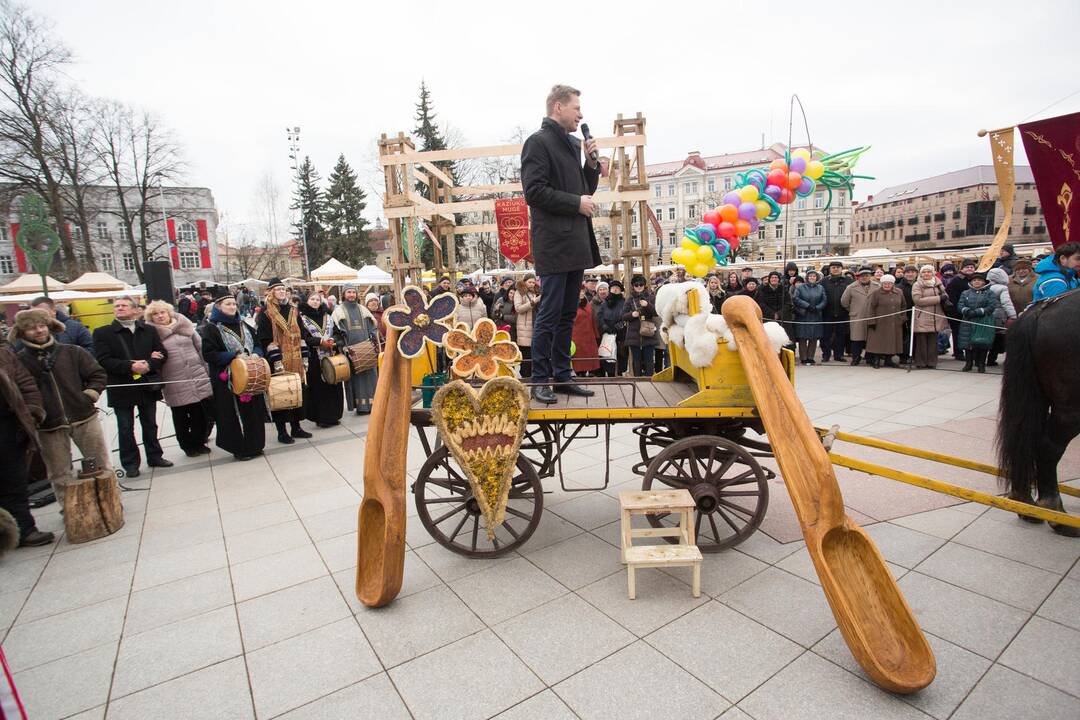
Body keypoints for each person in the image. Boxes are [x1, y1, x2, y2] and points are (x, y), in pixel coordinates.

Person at [520, 84, 602, 404]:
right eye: (576, 107)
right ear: (558, 108)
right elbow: (534, 191)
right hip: (554, 243)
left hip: (575, 242)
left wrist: (590, 165)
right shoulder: (537, 143)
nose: (581, 114)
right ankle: (540, 378)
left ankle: (562, 374)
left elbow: (584, 189)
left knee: (568, 313)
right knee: (550, 313)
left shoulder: (571, 144)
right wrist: (575, 203)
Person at [12, 308, 111, 511]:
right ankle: (70, 508)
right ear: (22, 333)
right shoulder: (19, 361)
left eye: (41, 326)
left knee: (100, 463)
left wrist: (89, 395)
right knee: (59, 472)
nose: (38, 331)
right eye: (31, 328)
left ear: (50, 326)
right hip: (49, 424)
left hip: (84, 415)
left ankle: (110, 500)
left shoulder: (71, 352)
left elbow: (97, 374)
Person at [93, 296, 171, 477]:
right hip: (122, 386)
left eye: (124, 306)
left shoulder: (148, 330)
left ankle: (155, 456)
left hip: (146, 385)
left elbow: (162, 353)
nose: (119, 308)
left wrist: (149, 364)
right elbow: (103, 360)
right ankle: (130, 463)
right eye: (117, 306)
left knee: (150, 423)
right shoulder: (103, 333)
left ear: (136, 310)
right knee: (126, 427)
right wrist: (130, 366)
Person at [201, 291, 267, 461]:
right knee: (232, 412)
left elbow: (258, 344)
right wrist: (233, 356)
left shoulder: (244, 324)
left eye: (233, 304)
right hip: (227, 377)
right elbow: (209, 354)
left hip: (250, 375)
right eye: (227, 304)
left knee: (253, 411)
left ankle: (255, 445)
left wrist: (256, 354)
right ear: (218, 307)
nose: (232, 307)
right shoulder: (212, 328)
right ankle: (239, 449)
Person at [145, 301, 214, 457]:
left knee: (200, 413)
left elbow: (200, 347)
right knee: (180, 415)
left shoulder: (184, 326)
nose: (160, 316)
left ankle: (200, 441)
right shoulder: (151, 334)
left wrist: (207, 369)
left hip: (196, 375)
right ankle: (187, 445)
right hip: (174, 379)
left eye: (162, 312)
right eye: (155, 314)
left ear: (169, 313)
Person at [0, 343, 51, 547]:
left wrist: (32, 412)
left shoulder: (4, 354)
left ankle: (25, 530)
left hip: (8, 429)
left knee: (15, 483)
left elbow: (26, 384)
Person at [257, 279, 313, 444]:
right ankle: (282, 431)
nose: (282, 292)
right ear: (271, 292)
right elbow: (264, 337)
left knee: (296, 392)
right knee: (280, 393)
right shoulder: (266, 312)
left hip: (295, 358)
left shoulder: (293, 310)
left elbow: (302, 333)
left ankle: (296, 427)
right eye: (278, 290)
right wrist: (275, 360)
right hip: (278, 358)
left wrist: (304, 355)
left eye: (283, 289)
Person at [298, 292, 344, 427]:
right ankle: (321, 418)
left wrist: (332, 340)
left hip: (331, 355)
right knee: (319, 388)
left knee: (333, 384)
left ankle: (334, 415)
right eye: (312, 299)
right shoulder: (301, 318)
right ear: (307, 301)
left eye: (317, 299)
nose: (315, 301)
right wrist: (319, 341)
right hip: (314, 358)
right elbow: (303, 337)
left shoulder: (328, 316)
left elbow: (337, 333)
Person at [332, 286, 379, 415]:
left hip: (367, 350)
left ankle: (374, 404)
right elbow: (336, 332)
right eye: (349, 292)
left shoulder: (363, 309)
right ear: (344, 294)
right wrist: (345, 346)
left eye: (353, 292)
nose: (351, 295)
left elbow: (372, 328)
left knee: (371, 376)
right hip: (351, 351)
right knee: (356, 379)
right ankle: (361, 407)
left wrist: (372, 343)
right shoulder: (338, 311)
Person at [958, 272, 1001, 373]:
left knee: (983, 342)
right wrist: (966, 310)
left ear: (983, 282)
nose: (976, 282)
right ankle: (968, 363)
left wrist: (979, 311)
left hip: (983, 320)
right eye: (974, 280)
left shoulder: (989, 293)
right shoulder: (966, 293)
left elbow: (992, 306)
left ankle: (981, 364)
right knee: (967, 343)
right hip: (968, 320)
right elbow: (960, 304)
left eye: (979, 280)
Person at [910, 265, 949, 369]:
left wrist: (944, 298)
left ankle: (932, 362)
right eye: (924, 272)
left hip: (936, 316)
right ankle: (921, 362)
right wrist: (938, 299)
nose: (926, 274)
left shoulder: (938, 284)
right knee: (922, 341)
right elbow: (918, 300)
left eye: (928, 272)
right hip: (922, 315)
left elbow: (945, 295)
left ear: (933, 273)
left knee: (933, 341)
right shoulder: (917, 284)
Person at [866, 274, 906, 368]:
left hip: (894, 322)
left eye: (889, 283)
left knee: (891, 342)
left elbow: (904, 305)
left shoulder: (899, 292)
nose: (887, 285)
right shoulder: (876, 293)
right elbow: (871, 307)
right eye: (885, 283)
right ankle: (876, 360)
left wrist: (902, 317)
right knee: (878, 342)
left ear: (893, 284)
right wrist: (871, 321)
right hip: (879, 322)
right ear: (881, 283)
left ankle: (889, 360)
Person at [29, 296, 94, 354]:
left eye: (41, 312)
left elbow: (91, 348)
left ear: (54, 311)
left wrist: (70, 360)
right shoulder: (28, 330)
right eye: (33, 313)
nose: (37, 316)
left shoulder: (75, 327)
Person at [622, 275, 657, 376]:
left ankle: (649, 379)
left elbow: (656, 313)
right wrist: (632, 315)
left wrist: (647, 305)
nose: (639, 286)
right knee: (636, 359)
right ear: (633, 286)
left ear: (644, 285)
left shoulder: (651, 297)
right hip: (634, 333)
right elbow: (623, 316)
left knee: (649, 359)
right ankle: (637, 380)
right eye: (636, 285)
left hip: (648, 332)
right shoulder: (629, 299)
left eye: (641, 284)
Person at [841, 267, 875, 366]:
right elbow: (844, 302)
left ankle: (870, 357)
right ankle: (856, 357)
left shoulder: (877, 286)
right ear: (858, 277)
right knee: (856, 339)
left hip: (872, 316)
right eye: (862, 276)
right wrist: (852, 310)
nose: (864, 277)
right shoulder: (851, 287)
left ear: (870, 276)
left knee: (871, 338)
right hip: (857, 316)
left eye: (867, 275)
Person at [984, 267, 1017, 367]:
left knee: (987, 337)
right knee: (997, 338)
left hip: (987, 315)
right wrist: (1013, 315)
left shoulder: (987, 287)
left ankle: (980, 359)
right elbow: (1006, 303)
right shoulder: (1003, 288)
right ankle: (991, 360)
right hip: (999, 316)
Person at [792, 270, 826, 364]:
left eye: (814, 276)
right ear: (807, 278)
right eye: (810, 276)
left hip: (816, 315)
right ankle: (803, 357)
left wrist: (817, 308)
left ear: (817, 278)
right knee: (803, 337)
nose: (812, 278)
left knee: (814, 337)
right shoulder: (800, 287)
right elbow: (796, 298)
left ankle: (811, 357)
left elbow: (824, 300)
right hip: (804, 314)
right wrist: (807, 305)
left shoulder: (820, 288)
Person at [946, 258, 977, 360]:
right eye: (967, 267)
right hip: (957, 311)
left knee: (970, 332)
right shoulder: (956, 280)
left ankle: (971, 351)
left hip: (972, 312)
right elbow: (951, 296)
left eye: (971, 267)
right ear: (962, 269)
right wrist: (957, 309)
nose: (969, 269)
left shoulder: (976, 279)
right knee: (957, 333)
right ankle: (958, 352)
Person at [820, 261, 851, 363]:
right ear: (830, 269)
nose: (836, 269)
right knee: (826, 336)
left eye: (838, 267)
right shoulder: (823, 281)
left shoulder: (848, 281)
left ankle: (839, 355)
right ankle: (826, 355)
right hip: (827, 312)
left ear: (842, 269)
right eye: (833, 267)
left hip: (842, 313)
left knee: (840, 335)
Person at [514, 274, 540, 380]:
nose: (532, 284)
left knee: (535, 354)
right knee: (526, 354)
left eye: (533, 282)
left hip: (535, 325)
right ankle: (525, 376)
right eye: (530, 282)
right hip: (524, 328)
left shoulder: (536, 292)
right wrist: (533, 302)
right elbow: (518, 308)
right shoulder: (519, 293)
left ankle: (534, 375)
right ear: (524, 282)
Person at [593, 281, 620, 377]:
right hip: (598, 333)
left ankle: (612, 374)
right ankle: (600, 374)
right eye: (600, 289)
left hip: (611, 333)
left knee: (610, 354)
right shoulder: (593, 303)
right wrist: (603, 325)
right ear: (597, 292)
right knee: (600, 355)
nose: (602, 291)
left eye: (604, 289)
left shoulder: (612, 302)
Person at [571, 285, 600, 376]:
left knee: (589, 354)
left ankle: (591, 371)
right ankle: (580, 372)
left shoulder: (587, 303)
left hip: (589, 334)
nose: (581, 293)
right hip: (576, 335)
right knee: (579, 356)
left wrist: (595, 334)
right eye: (579, 291)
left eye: (583, 291)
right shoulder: (571, 304)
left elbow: (592, 318)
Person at [896, 265, 918, 363]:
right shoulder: (899, 287)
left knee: (915, 336)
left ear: (916, 274)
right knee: (904, 336)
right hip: (904, 314)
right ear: (904, 274)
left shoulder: (919, 285)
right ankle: (903, 356)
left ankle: (914, 354)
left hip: (918, 314)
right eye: (908, 272)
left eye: (912, 272)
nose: (910, 274)